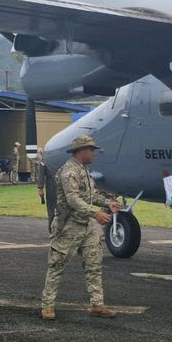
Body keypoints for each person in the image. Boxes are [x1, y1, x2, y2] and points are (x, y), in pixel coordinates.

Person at [40, 135, 121, 320]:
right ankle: (47, 306)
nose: (94, 153)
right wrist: (95, 213)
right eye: (91, 150)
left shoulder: (83, 169)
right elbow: (73, 199)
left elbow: (91, 195)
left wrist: (107, 203)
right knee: (57, 265)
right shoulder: (69, 172)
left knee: (94, 265)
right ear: (82, 151)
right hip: (69, 225)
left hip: (88, 226)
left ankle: (97, 305)